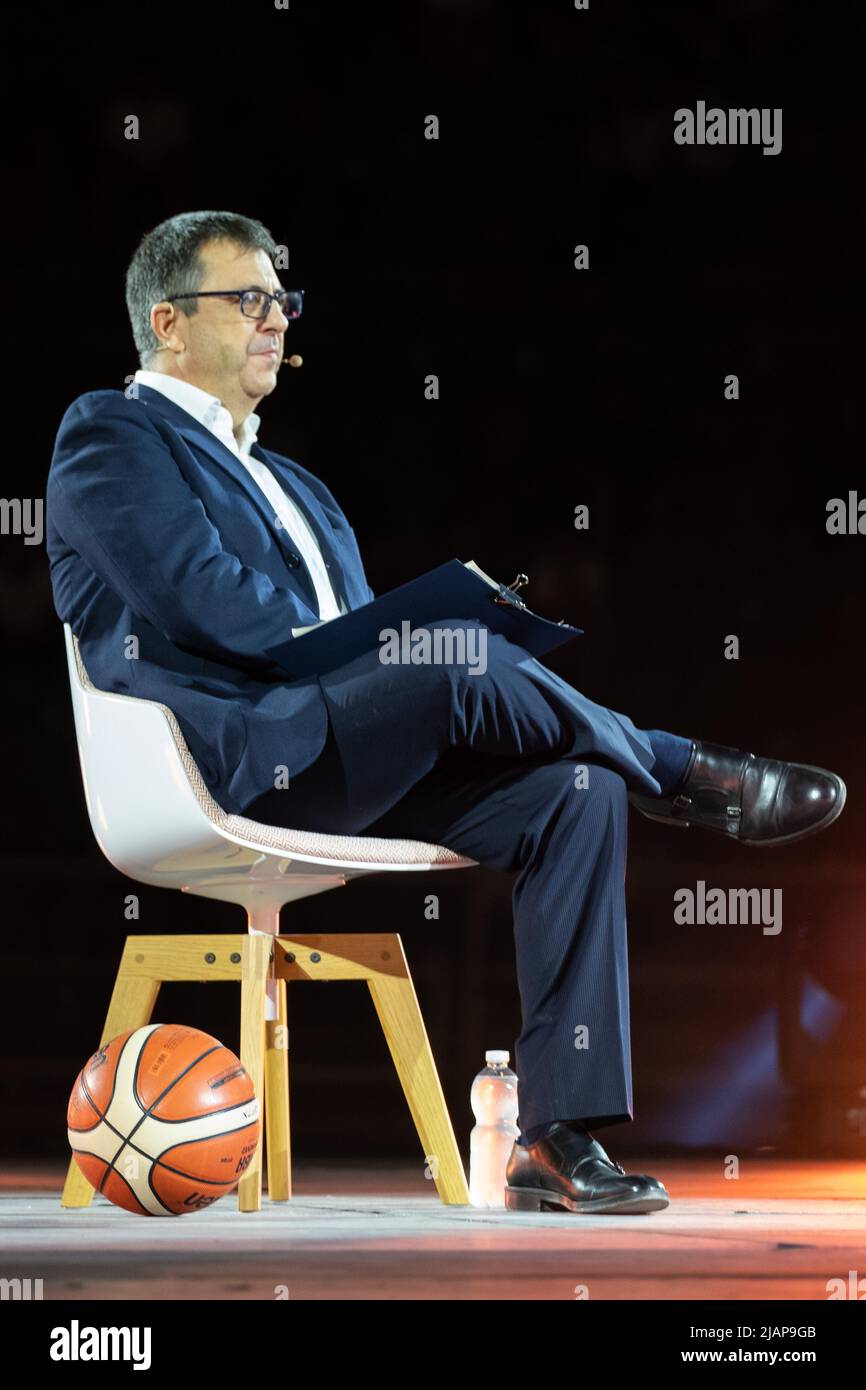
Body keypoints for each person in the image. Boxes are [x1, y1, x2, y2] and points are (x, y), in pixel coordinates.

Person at [45, 211, 846, 1216]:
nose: (276, 321)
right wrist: (395, 646)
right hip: (244, 758)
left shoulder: (297, 482)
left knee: (577, 788)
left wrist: (398, 639)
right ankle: (680, 770)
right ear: (166, 322)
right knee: (453, 652)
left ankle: (555, 1139)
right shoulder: (110, 432)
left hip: (347, 756)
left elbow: (353, 640)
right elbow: (204, 598)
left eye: (282, 302)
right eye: (246, 300)